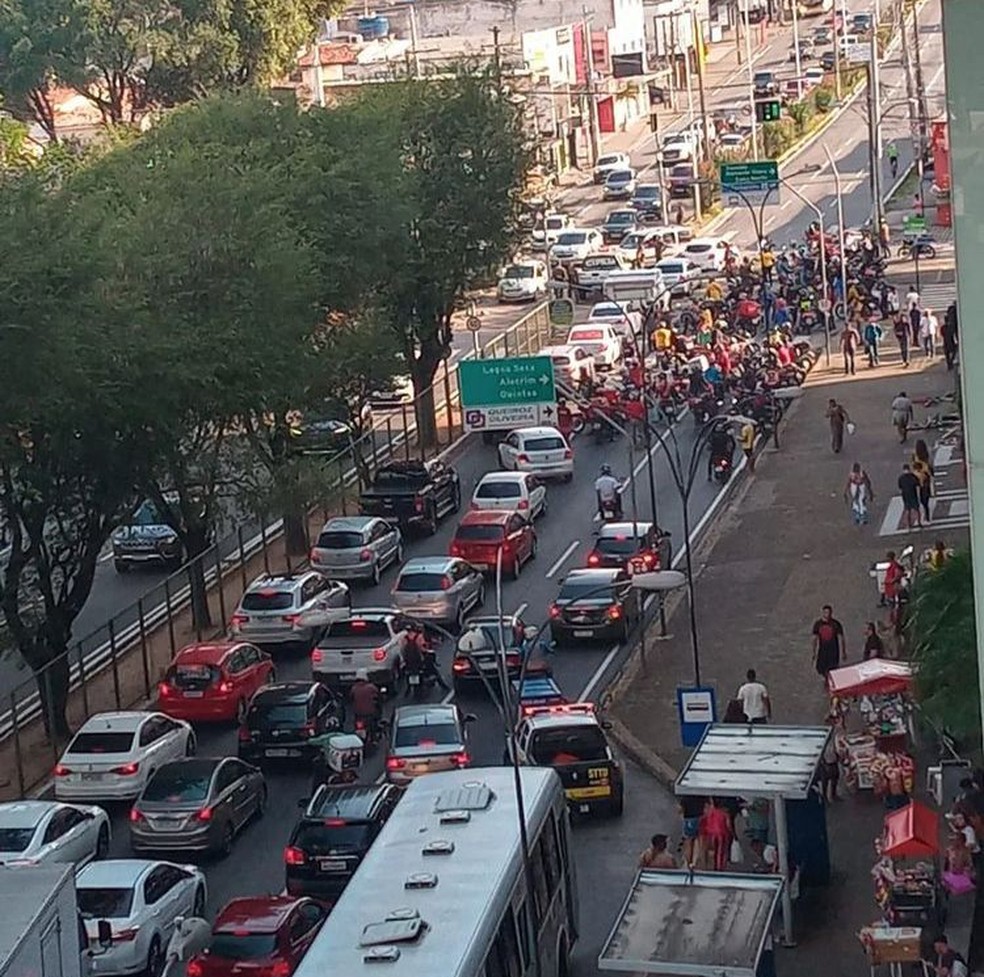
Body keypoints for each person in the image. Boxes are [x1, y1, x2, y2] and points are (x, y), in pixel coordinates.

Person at [699, 798, 734, 871]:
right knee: (722, 851)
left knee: (714, 851)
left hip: (711, 834)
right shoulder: (725, 813)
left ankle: (714, 865)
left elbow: (704, 821)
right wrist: (732, 833)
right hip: (722, 834)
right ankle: (720, 867)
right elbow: (728, 825)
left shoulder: (710, 812)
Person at [812, 604, 845, 680]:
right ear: (823, 613)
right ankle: (825, 678)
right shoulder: (818, 624)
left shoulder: (835, 624)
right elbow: (815, 639)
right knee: (821, 668)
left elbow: (841, 638)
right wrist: (814, 652)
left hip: (833, 650)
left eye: (829, 612)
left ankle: (830, 680)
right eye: (826, 612)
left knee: (832, 668)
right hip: (823, 650)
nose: (827, 614)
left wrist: (843, 651)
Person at [350, 669, 382, 735]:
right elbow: (379, 698)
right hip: (370, 714)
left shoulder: (354, 689)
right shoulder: (372, 688)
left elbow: (351, 699)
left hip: (359, 715)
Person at [819, 715, 841, 802]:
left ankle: (833, 794)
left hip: (833, 758)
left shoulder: (834, 733)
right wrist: (822, 760)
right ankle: (825, 797)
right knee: (825, 779)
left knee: (835, 776)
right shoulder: (823, 734)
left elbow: (836, 745)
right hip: (826, 760)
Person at [912, 438, 934, 523]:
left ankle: (923, 515)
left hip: (918, 477)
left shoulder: (915, 455)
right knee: (926, 499)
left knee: (920, 498)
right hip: (926, 478)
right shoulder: (926, 455)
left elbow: (913, 465)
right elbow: (930, 467)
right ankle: (927, 515)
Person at [679, 795, 705, 866]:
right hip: (700, 818)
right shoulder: (701, 796)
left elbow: (680, 809)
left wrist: (682, 817)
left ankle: (688, 862)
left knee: (689, 841)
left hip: (689, 819)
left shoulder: (686, 797)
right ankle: (697, 862)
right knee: (699, 841)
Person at [898, 463, 923, 531]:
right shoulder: (913, 476)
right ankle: (919, 523)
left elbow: (900, 488)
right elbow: (918, 485)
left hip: (905, 496)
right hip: (913, 495)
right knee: (916, 509)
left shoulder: (901, 478)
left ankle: (909, 525)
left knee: (907, 510)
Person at [943, 301, 959, 370]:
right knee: (953, 351)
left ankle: (949, 364)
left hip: (946, 341)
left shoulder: (944, 327)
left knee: (948, 353)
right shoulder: (954, 311)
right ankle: (951, 363)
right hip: (951, 340)